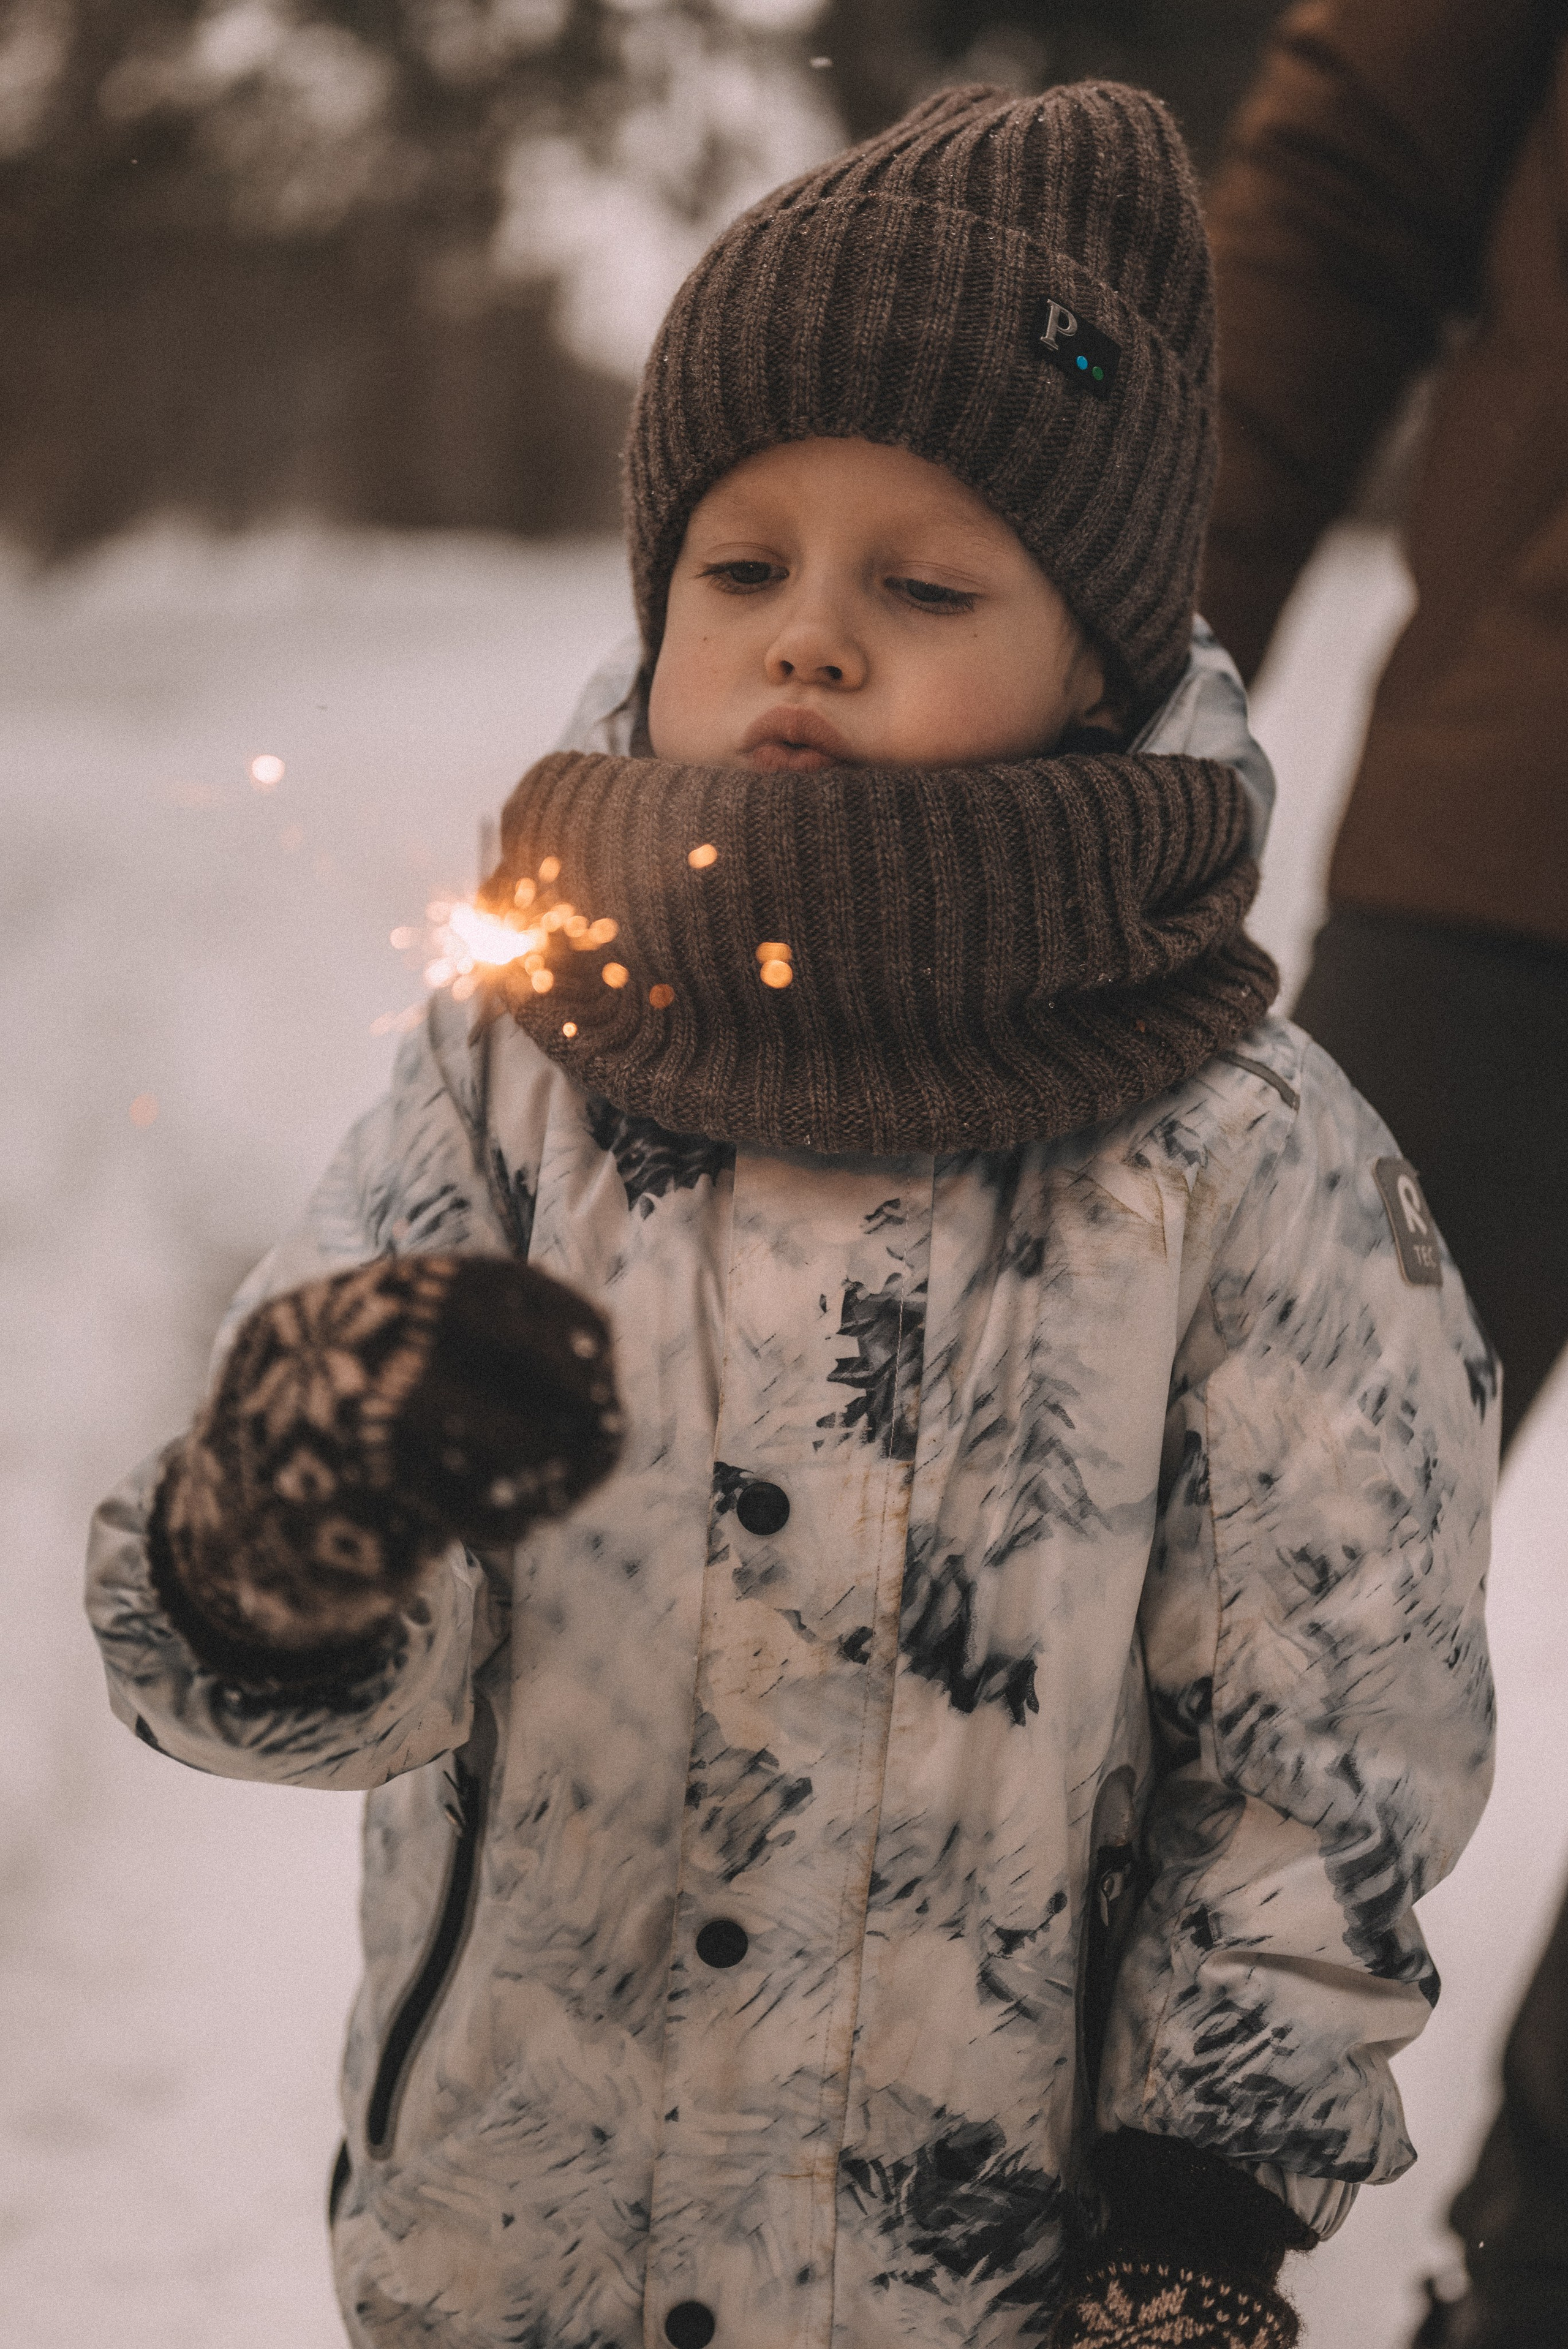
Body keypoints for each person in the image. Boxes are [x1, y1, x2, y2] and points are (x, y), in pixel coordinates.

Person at [86, 83, 1498, 2349]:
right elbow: (318, 1675)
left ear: (1103, 667)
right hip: (507, 2265)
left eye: (922, 585)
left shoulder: (1247, 1156)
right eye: (741, 569)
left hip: (997, 2294)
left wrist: (1202, 2218)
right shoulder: (510, 1068)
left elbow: (1323, 1743)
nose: (807, 644)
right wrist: (287, 1538)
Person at [1197, 7, 1568, 2340]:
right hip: (1521, 831)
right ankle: (1072, 2241)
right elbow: (1341, 196)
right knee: (1237, 1607)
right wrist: (1076, 682)